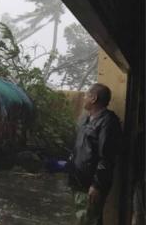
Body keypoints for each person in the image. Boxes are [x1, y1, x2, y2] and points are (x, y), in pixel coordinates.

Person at [68, 83, 121, 225]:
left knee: (89, 220)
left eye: (86, 95)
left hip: (91, 184)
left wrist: (97, 185)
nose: (84, 97)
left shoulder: (108, 122)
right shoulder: (85, 119)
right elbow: (79, 148)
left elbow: (107, 157)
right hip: (78, 181)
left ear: (94, 98)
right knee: (83, 217)